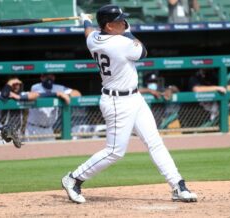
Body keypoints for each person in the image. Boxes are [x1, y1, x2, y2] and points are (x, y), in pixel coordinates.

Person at [61, 4, 197, 204]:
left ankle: (178, 185)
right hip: (118, 102)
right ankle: (74, 178)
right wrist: (129, 32)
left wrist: (85, 21)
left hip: (134, 99)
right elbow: (143, 51)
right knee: (115, 151)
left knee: (155, 142)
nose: (124, 23)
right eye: (119, 21)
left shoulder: (94, 40)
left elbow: (89, 32)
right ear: (108, 26)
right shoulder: (119, 43)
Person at [25, 74, 81, 141]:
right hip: (33, 128)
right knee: (31, 151)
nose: (49, 78)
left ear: (54, 77)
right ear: (41, 78)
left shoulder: (58, 88)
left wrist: (67, 94)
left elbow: (78, 94)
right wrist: (57, 94)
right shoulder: (36, 87)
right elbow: (37, 94)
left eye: (51, 76)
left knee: (51, 150)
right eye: (46, 76)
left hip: (49, 129)